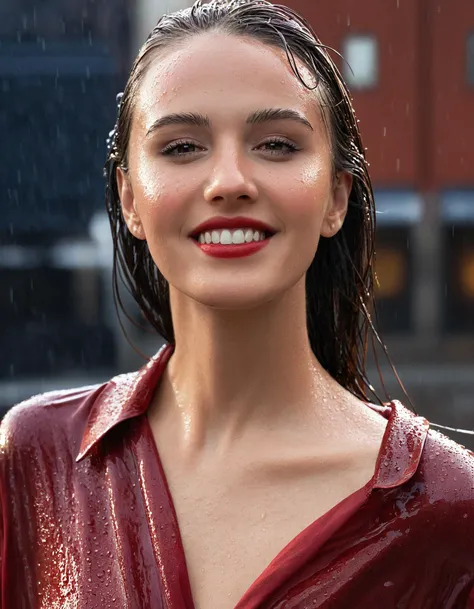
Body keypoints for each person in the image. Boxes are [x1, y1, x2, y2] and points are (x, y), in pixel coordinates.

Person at [1, 0, 473, 607]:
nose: (229, 181)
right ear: (129, 199)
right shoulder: (40, 460)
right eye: (181, 147)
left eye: (276, 145)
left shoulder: (447, 507)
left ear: (336, 195)